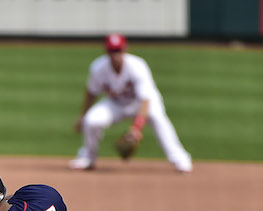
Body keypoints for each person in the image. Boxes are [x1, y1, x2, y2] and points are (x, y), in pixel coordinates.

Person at [69, 33, 193, 174]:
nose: (115, 54)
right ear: (106, 51)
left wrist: (136, 127)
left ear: (125, 49)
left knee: (158, 118)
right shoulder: (98, 67)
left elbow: (146, 99)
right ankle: (87, 158)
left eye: (118, 50)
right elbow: (91, 92)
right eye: (112, 50)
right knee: (91, 121)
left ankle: (180, 159)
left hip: (142, 103)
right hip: (115, 104)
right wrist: (82, 115)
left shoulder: (137, 66)